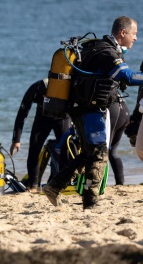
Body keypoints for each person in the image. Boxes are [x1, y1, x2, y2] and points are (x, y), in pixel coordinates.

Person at [43, 16, 143, 210]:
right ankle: (90, 201)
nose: (136, 38)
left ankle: (54, 187)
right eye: (135, 34)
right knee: (99, 153)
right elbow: (127, 76)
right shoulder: (107, 53)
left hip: (81, 108)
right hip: (91, 110)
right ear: (123, 32)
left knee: (90, 153)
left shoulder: (98, 47)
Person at [9, 78, 71, 192]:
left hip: (62, 117)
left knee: (65, 151)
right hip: (42, 118)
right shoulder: (36, 88)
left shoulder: (66, 88)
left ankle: (61, 183)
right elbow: (22, 113)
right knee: (34, 149)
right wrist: (16, 140)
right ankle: (33, 185)